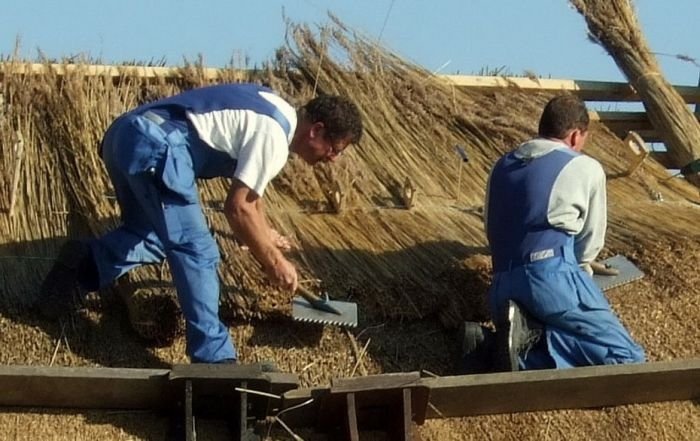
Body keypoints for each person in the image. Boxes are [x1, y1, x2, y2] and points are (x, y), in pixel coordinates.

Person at [38, 83, 363, 364]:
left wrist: (266, 235)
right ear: (316, 130)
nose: (331, 159)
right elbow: (238, 208)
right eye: (334, 150)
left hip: (124, 136)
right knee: (198, 250)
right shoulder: (275, 137)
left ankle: (81, 265)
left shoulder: (274, 108)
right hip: (159, 146)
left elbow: (252, 197)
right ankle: (214, 359)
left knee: (149, 235)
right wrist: (274, 262)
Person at [482, 94, 645, 371]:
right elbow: (588, 245)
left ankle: (483, 347)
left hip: (500, 286)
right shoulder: (584, 167)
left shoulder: (501, 166)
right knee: (627, 358)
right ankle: (526, 352)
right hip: (550, 278)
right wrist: (583, 275)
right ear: (574, 135)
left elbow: (490, 228)